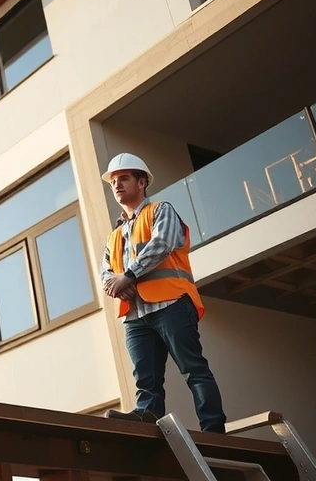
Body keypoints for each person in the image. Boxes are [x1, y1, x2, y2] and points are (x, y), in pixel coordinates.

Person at [98, 153, 227, 433]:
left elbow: (162, 244)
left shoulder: (160, 210)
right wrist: (117, 282)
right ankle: (147, 413)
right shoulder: (114, 235)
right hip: (135, 315)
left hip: (172, 305)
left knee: (193, 369)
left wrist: (129, 275)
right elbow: (106, 272)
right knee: (146, 380)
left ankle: (213, 428)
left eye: (124, 179)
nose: (117, 185)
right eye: (113, 182)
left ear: (142, 182)